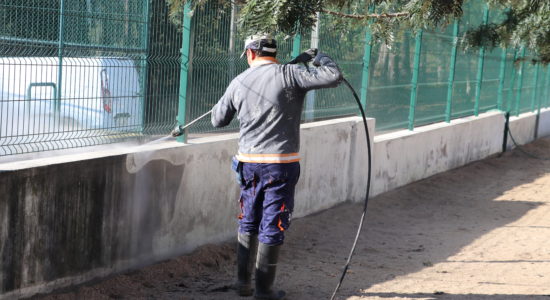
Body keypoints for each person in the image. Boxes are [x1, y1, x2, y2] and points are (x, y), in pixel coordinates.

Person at [211, 34, 342, 300]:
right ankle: (263, 291)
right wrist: (318, 58)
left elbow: (218, 120)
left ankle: (242, 284)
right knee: (272, 222)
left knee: (248, 220)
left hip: (248, 165)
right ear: (273, 53)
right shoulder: (290, 74)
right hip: (281, 166)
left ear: (250, 54)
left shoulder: (239, 81)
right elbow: (333, 76)